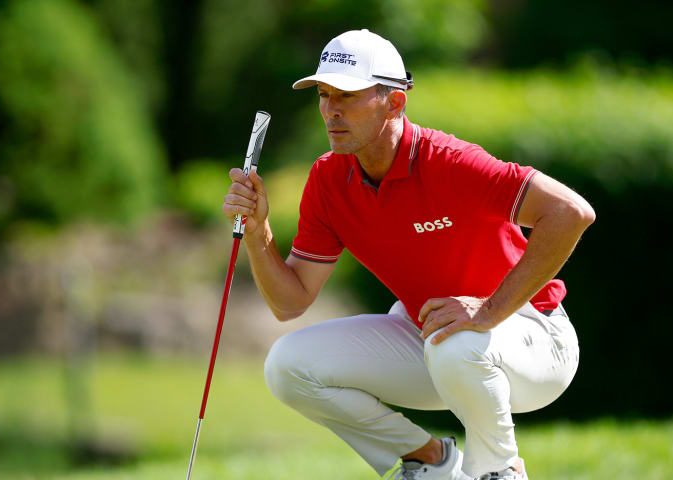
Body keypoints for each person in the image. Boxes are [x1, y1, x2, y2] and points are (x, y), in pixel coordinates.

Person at [222, 29, 595, 480]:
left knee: (452, 340)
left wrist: (490, 310)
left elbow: (571, 212)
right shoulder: (327, 179)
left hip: (535, 339)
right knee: (288, 366)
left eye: (347, 95)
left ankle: (499, 471)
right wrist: (259, 229)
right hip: (436, 338)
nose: (330, 110)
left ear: (394, 102)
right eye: (323, 94)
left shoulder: (451, 162)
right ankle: (429, 460)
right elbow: (290, 301)